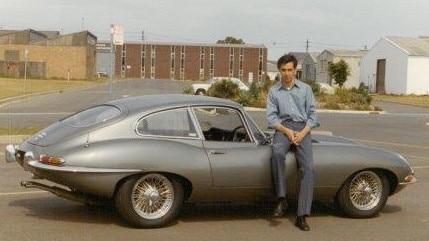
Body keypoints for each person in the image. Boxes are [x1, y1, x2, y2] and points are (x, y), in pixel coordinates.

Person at [266, 54, 319, 231]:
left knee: (308, 168)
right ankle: (281, 199)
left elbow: (313, 116)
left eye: (290, 70)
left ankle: (301, 216)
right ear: (279, 70)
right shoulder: (274, 91)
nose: (287, 73)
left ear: (296, 70)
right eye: (283, 70)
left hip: (303, 128)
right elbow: (272, 118)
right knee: (277, 153)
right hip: (283, 128)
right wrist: (288, 132)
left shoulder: (305, 89)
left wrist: (302, 133)